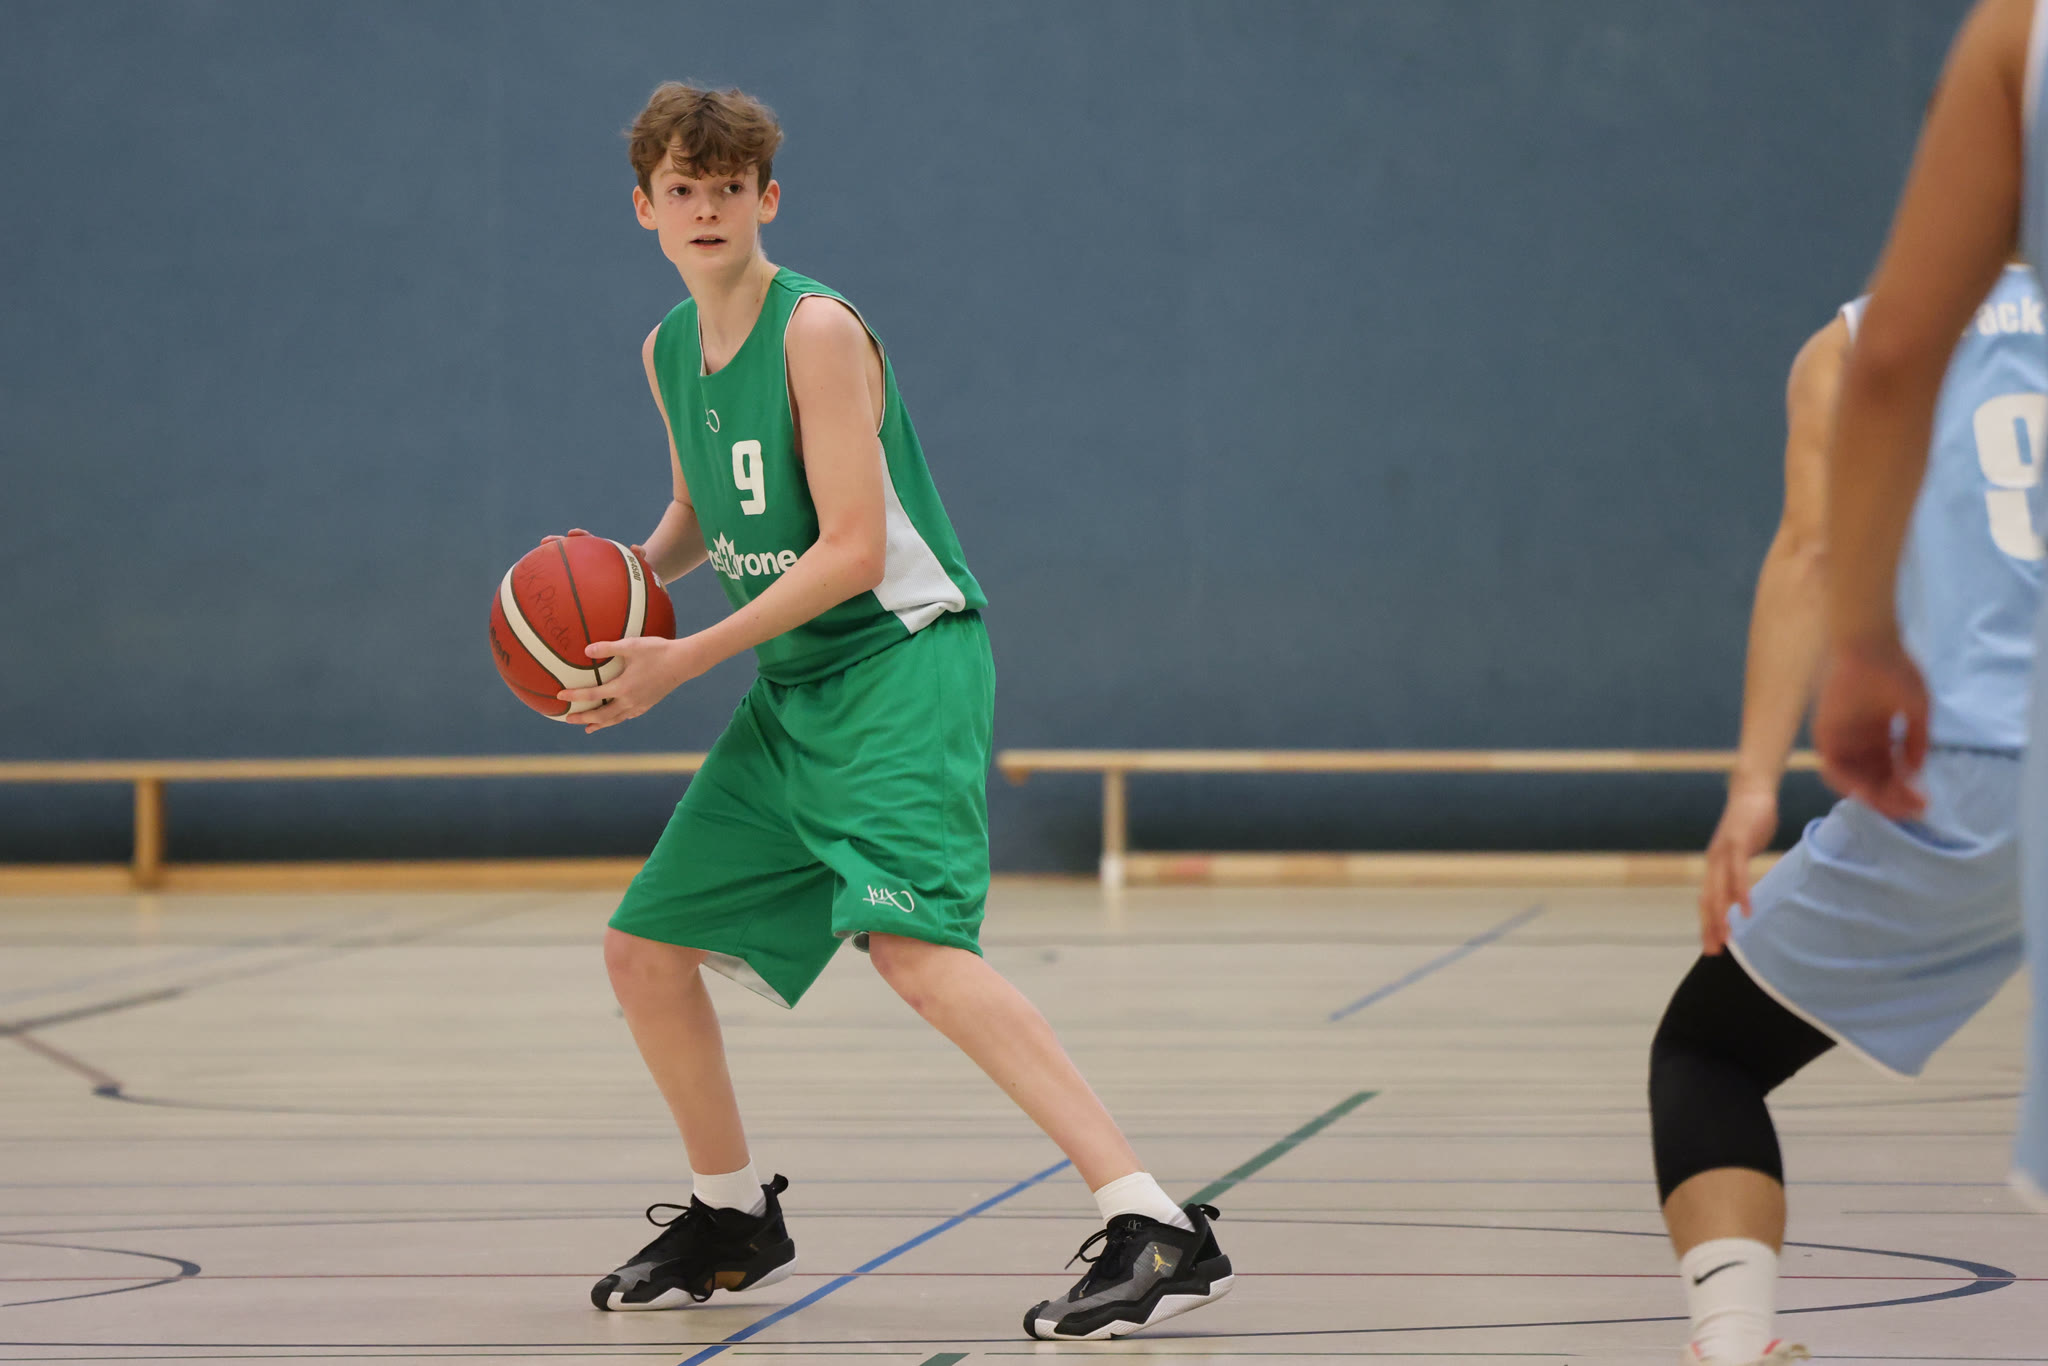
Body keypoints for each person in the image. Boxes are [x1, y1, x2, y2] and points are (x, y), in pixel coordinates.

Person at [556, 83, 1232, 1341]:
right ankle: (730, 1215)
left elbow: (854, 550)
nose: (705, 210)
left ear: (767, 198)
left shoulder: (814, 330)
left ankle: (1152, 1219)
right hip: (795, 683)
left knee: (913, 949)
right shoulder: (667, 348)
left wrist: (682, 657)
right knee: (643, 951)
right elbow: (703, 507)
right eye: (680, 190)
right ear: (643, 207)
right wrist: (628, 586)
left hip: (900, 664)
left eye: (727, 188)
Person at [1653, 265, 2044, 1365]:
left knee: (1708, 1051)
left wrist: (1752, 787)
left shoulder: (1859, 343)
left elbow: (1812, 552)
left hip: (1972, 771)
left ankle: (1734, 1336)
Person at [1812, 0, 2048, 1214]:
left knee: (1702, 1050)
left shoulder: (2017, 34)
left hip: (1980, 750)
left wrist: (1862, 643)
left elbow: (1895, 352)